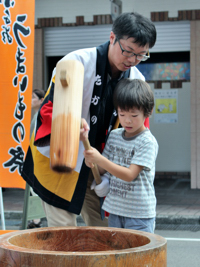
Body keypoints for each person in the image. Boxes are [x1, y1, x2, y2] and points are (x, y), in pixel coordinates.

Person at [21, 12, 157, 227]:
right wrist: (69, 125)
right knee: (64, 236)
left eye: (141, 55)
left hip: (98, 168)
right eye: (128, 51)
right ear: (112, 37)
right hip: (60, 161)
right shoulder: (76, 63)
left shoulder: (136, 80)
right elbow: (49, 110)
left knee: (104, 234)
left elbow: (139, 131)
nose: (132, 60)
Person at [84, 79, 159, 233]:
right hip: (115, 210)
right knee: (118, 255)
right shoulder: (115, 135)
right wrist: (91, 161)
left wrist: (100, 159)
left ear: (148, 111)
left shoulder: (147, 142)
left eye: (134, 115)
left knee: (138, 256)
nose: (127, 120)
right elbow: (103, 169)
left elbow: (130, 175)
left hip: (139, 214)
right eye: (122, 114)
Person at [27, 89, 45, 228]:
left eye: (33, 97)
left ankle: (37, 220)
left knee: (36, 191)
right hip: (33, 158)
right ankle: (36, 219)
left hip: (38, 160)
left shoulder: (40, 116)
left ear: (41, 100)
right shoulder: (35, 116)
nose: (30, 99)